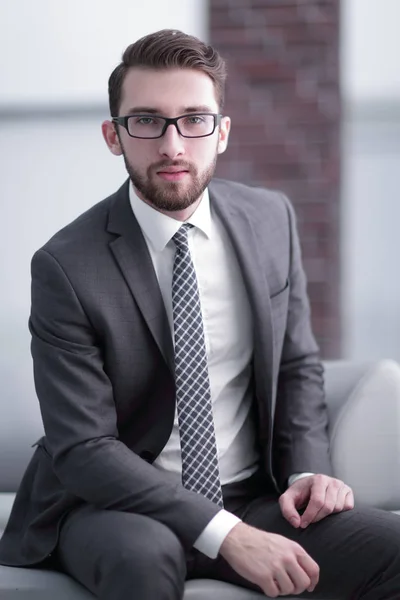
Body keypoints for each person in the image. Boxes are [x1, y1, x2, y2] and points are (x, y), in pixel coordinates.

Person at [0, 28, 400, 600]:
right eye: (147, 121)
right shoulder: (66, 265)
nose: (172, 145)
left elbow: (296, 366)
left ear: (222, 132)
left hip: (251, 496)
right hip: (116, 508)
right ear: (114, 136)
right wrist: (225, 535)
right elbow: (85, 449)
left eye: (194, 119)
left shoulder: (270, 221)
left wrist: (307, 471)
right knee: (145, 562)